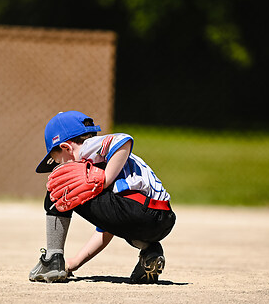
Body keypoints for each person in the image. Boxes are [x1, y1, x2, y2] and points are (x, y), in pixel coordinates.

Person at [29, 110, 176, 284]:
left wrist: (105, 180)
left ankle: (53, 258)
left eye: (59, 161)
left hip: (136, 209)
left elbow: (123, 140)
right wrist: (74, 264)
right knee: (79, 188)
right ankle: (150, 251)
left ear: (66, 147)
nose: (59, 166)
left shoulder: (86, 148)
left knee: (59, 185)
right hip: (162, 219)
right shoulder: (104, 160)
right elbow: (107, 229)